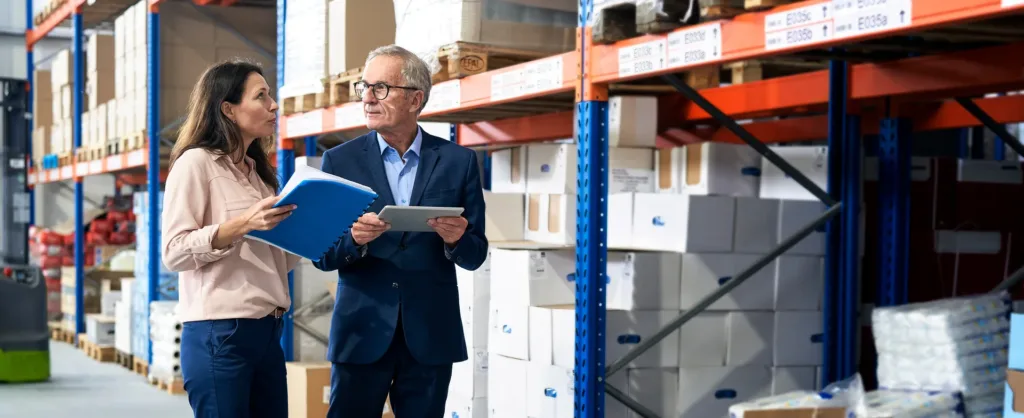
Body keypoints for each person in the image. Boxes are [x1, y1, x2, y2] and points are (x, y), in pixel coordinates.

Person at [314, 45, 489, 417]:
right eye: (365, 88)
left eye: (380, 88)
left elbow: (476, 255)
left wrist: (457, 239)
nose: (368, 99)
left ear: (415, 99)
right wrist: (355, 240)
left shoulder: (459, 162)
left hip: (429, 334)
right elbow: (324, 255)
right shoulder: (339, 161)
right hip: (362, 330)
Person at [161, 58, 301, 418]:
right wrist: (243, 224)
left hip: (269, 332)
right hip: (220, 335)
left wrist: (315, 231)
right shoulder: (196, 164)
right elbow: (174, 253)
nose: (273, 105)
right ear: (228, 108)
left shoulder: (262, 177)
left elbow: (278, 260)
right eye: (261, 96)